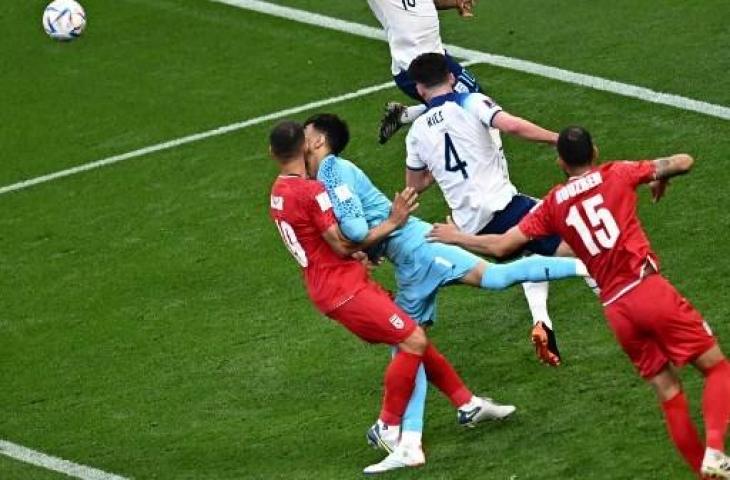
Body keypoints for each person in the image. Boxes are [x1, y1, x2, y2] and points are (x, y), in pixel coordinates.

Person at [428, 126, 730, 478]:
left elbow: (501, 247)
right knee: (717, 368)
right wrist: (660, 177)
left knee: (668, 390)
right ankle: (714, 449)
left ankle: (704, 473)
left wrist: (457, 237)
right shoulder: (617, 173)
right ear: (595, 151)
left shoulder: (553, 204)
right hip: (648, 289)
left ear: (560, 161)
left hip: (617, 310)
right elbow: (684, 161)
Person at [302, 113, 590, 473]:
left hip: (418, 249)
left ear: (317, 141)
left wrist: (364, 240)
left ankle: (587, 267)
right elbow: (365, 229)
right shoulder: (327, 172)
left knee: (487, 284)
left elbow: (358, 227)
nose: (299, 138)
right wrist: (368, 248)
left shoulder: (330, 171)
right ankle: (459, 409)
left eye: (305, 133)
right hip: (409, 259)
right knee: (411, 343)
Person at [268, 120, 501, 474]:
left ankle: (466, 402)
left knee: (412, 336)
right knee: (412, 339)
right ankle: (387, 425)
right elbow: (342, 242)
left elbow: (322, 244)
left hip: (330, 283)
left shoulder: (278, 192)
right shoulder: (311, 190)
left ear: (273, 153)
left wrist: (356, 255)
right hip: (344, 290)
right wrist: (393, 222)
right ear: (305, 147)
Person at [405, 52, 587, 366]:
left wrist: (438, 167)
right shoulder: (470, 101)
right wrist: (556, 139)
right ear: (451, 77)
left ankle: (542, 322)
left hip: (470, 230)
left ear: (419, 90)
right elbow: (512, 126)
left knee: (532, 253)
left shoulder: (416, 133)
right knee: (584, 242)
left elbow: (416, 184)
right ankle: (627, 304)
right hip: (505, 209)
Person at [366, 0, 483, 144]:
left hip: (437, 57)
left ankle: (403, 115)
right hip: (414, 68)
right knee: (473, 108)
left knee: (473, 103)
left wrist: (454, 3)